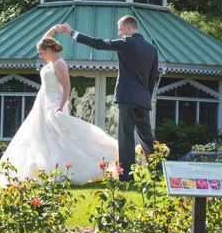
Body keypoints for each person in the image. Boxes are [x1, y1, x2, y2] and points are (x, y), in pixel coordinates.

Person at [0, 26, 118, 187]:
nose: (40, 55)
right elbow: (44, 40)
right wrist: (55, 29)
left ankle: (93, 161)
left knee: (59, 136)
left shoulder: (59, 64)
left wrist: (60, 106)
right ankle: (42, 168)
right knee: (39, 135)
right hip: (42, 102)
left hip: (54, 103)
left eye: (42, 52)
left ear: (50, 50)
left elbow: (67, 87)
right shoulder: (50, 60)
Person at [57, 15, 158, 181]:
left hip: (127, 98)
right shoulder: (152, 49)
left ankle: (126, 177)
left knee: (126, 139)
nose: (119, 33)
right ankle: (157, 174)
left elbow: (98, 43)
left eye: (119, 29)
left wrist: (72, 33)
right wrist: (145, 97)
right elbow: (152, 77)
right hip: (143, 99)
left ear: (127, 28)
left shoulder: (127, 42)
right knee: (148, 138)